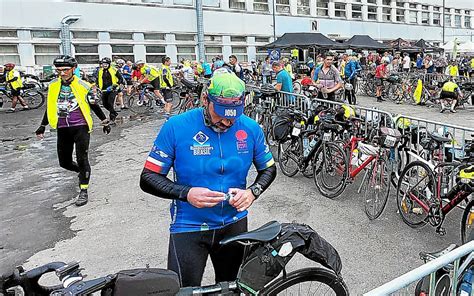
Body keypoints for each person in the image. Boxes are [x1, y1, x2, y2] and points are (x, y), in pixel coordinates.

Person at [139, 70, 276, 287]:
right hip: (189, 225)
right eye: (221, 112)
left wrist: (252, 192)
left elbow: (269, 169)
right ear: (205, 99)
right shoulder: (176, 126)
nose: (227, 121)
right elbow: (148, 177)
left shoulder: (250, 128)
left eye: (234, 114)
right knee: (182, 291)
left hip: (234, 224)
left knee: (231, 288)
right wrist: (186, 193)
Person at [35, 56, 111, 206]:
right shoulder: (53, 85)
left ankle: (83, 189)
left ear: (73, 69)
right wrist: (43, 125)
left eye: (65, 70)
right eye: (59, 70)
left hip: (81, 126)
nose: (62, 73)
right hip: (62, 127)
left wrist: (104, 122)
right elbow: (50, 107)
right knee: (64, 162)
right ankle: (81, 172)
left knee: (82, 158)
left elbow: (94, 105)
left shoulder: (84, 85)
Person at [96, 57, 125, 122]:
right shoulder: (100, 71)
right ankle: (114, 112)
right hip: (104, 90)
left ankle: (112, 118)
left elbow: (120, 78)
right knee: (104, 104)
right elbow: (98, 79)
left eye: (106, 64)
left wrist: (116, 84)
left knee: (110, 103)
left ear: (109, 64)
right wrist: (97, 86)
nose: (104, 65)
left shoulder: (114, 70)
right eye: (103, 64)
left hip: (113, 89)